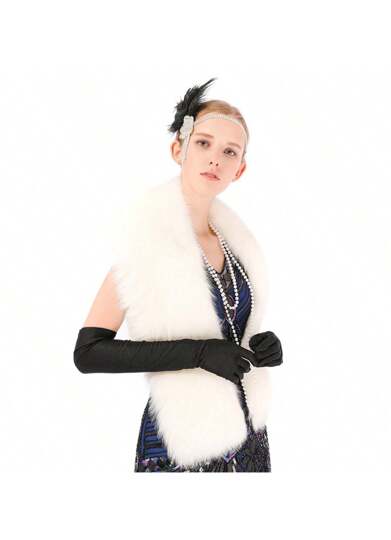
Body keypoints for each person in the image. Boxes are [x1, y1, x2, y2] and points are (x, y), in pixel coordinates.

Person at [73, 77, 283, 472]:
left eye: (229, 151)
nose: (215, 159)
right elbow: (88, 351)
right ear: (178, 149)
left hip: (248, 434)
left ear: (239, 169)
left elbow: (232, 326)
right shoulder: (147, 242)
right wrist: (199, 354)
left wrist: (263, 345)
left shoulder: (237, 246)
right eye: (203, 143)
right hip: (182, 442)